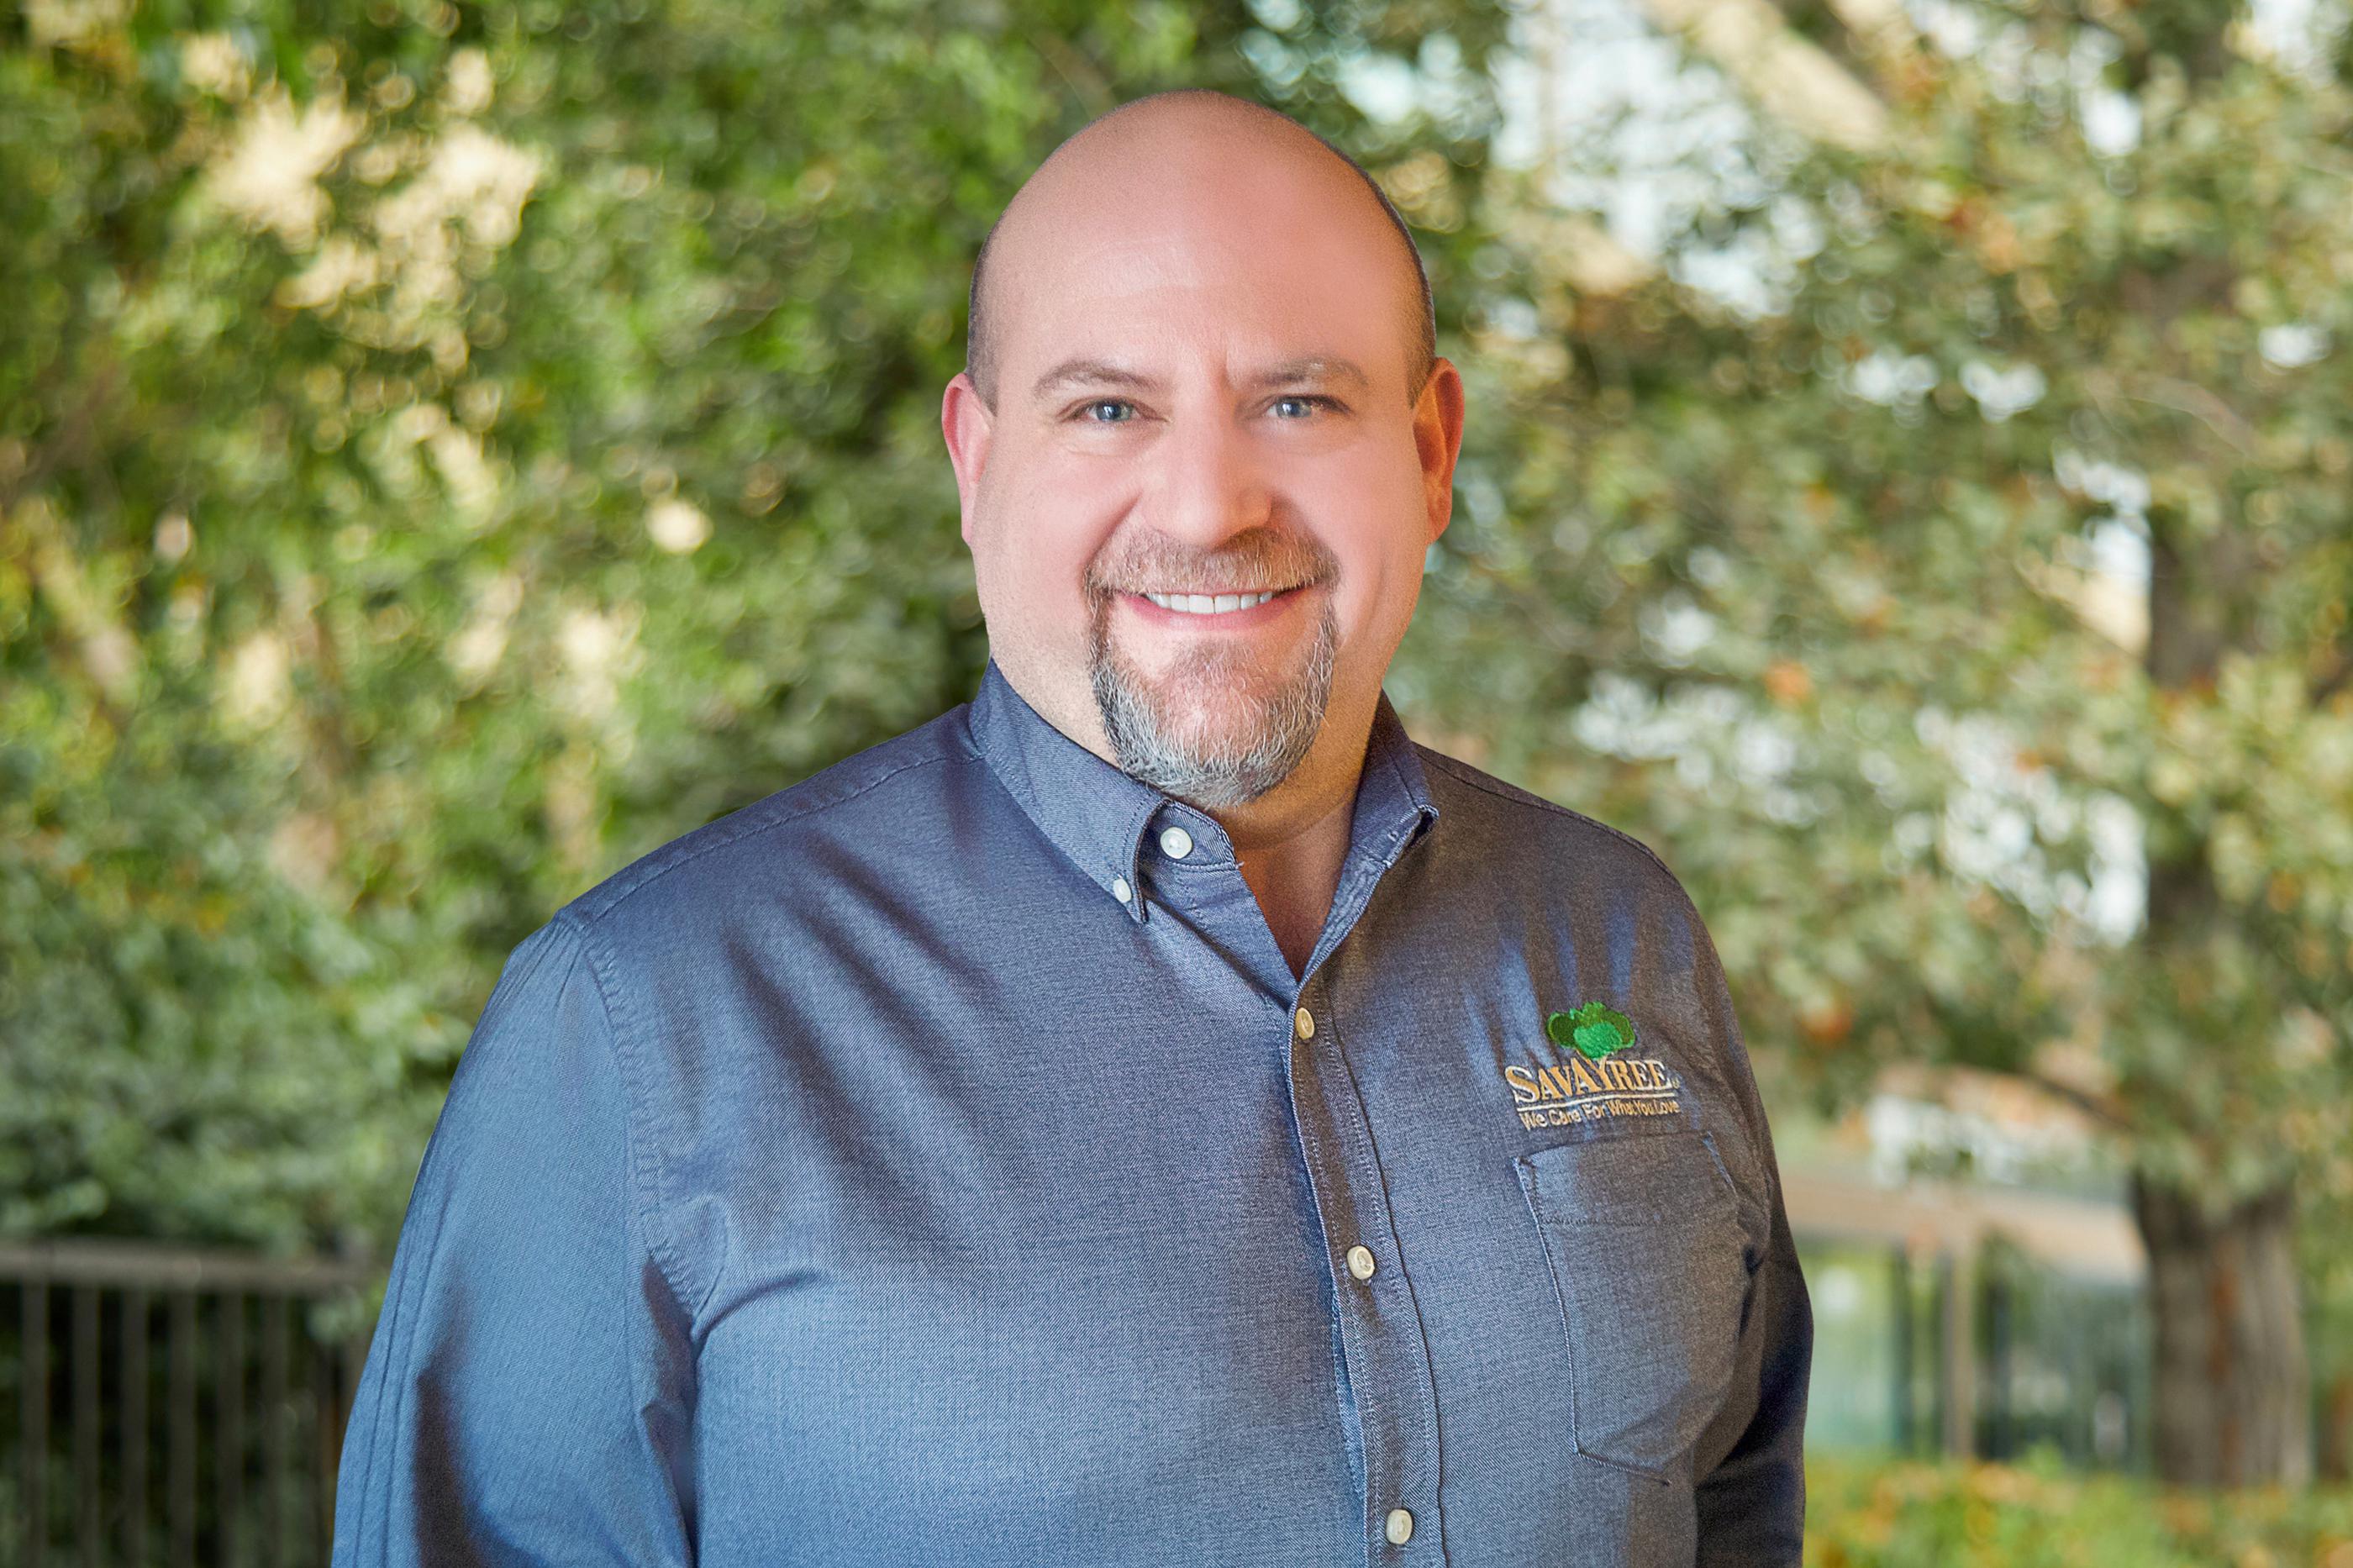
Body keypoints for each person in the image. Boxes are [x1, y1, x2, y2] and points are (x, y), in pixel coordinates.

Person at [332, 87, 1811, 1567]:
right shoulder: (640, 1024)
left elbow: (1731, 1503)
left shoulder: (1617, 938)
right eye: (1109, 408)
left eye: (1298, 402)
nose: (1212, 504)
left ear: (1430, 453)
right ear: (977, 467)